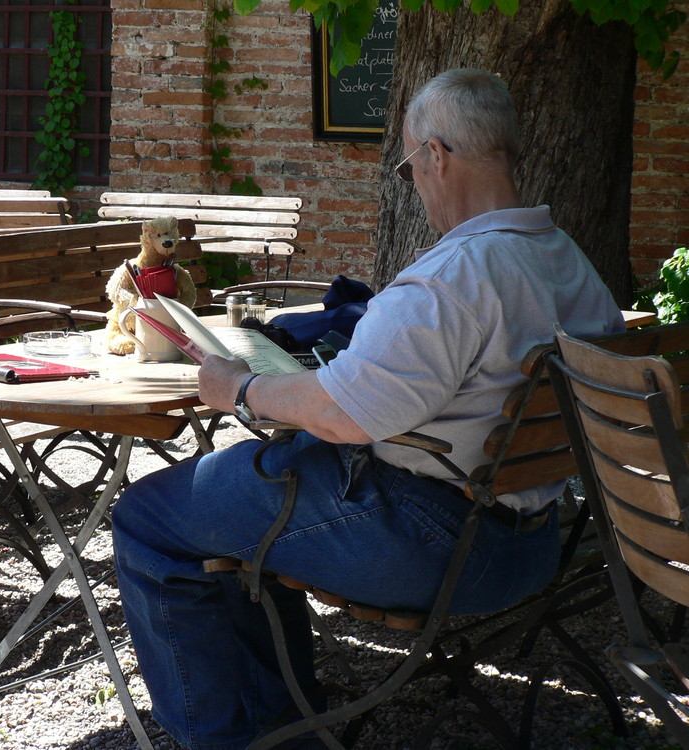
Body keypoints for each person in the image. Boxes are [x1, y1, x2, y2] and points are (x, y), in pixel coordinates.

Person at [111, 68, 625, 750]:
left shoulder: (453, 279)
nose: (414, 180)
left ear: (437, 155)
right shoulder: (572, 267)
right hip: (530, 544)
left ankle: (230, 737)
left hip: (432, 548)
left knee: (148, 516)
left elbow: (340, 415)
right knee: (238, 499)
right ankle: (281, 721)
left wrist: (238, 387)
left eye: (412, 164)